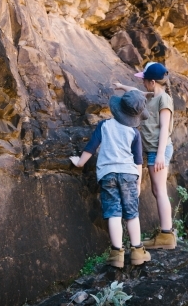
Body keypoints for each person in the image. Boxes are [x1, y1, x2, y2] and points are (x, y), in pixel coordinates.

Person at [70, 90, 152, 268]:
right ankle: (137, 251)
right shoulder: (134, 133)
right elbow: (138, 160)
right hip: (129, 174)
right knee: (131, 214)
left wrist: (79, 162)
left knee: (113, 212)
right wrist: (138, 182)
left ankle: (116, 254)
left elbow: (91, 147)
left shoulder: (104, 126)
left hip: (107, 174)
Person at [113, 62, 176, 250]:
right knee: (157, 191)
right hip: (151, 150)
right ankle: (166, 234)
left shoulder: (164, 99)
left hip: (158, 150)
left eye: (145, 81)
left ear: (153, 81)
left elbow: (165, 127)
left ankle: (167, 235)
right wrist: (121, 86)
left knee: (160, 190)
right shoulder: (151, 96)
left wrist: (159, 156)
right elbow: (134, 91)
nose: (143, 84)